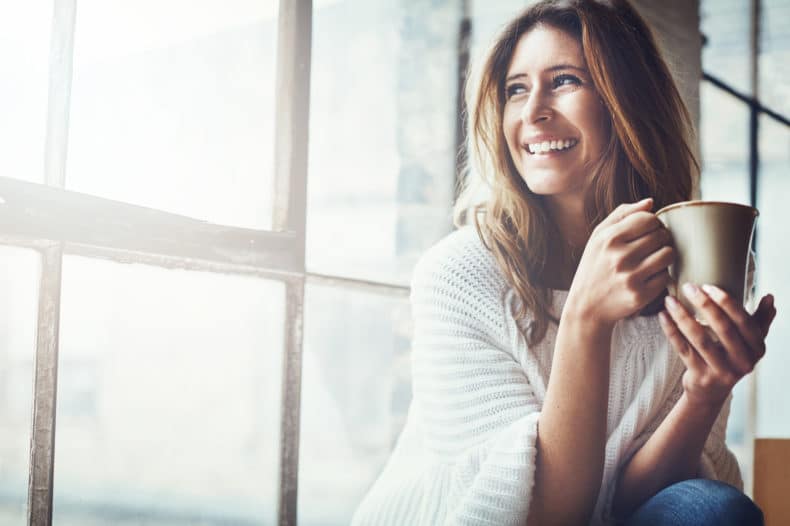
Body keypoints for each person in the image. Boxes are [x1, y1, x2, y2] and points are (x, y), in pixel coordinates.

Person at [351, 1, 777, 524]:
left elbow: (628, 501)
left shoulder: (694, 264)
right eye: (516, 90)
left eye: (565, 81)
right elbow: (545, 515)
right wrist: (585, 318)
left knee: (712, 510)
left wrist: (703, 392)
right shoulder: (458, 275)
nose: (532, 113)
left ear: (628, 103)